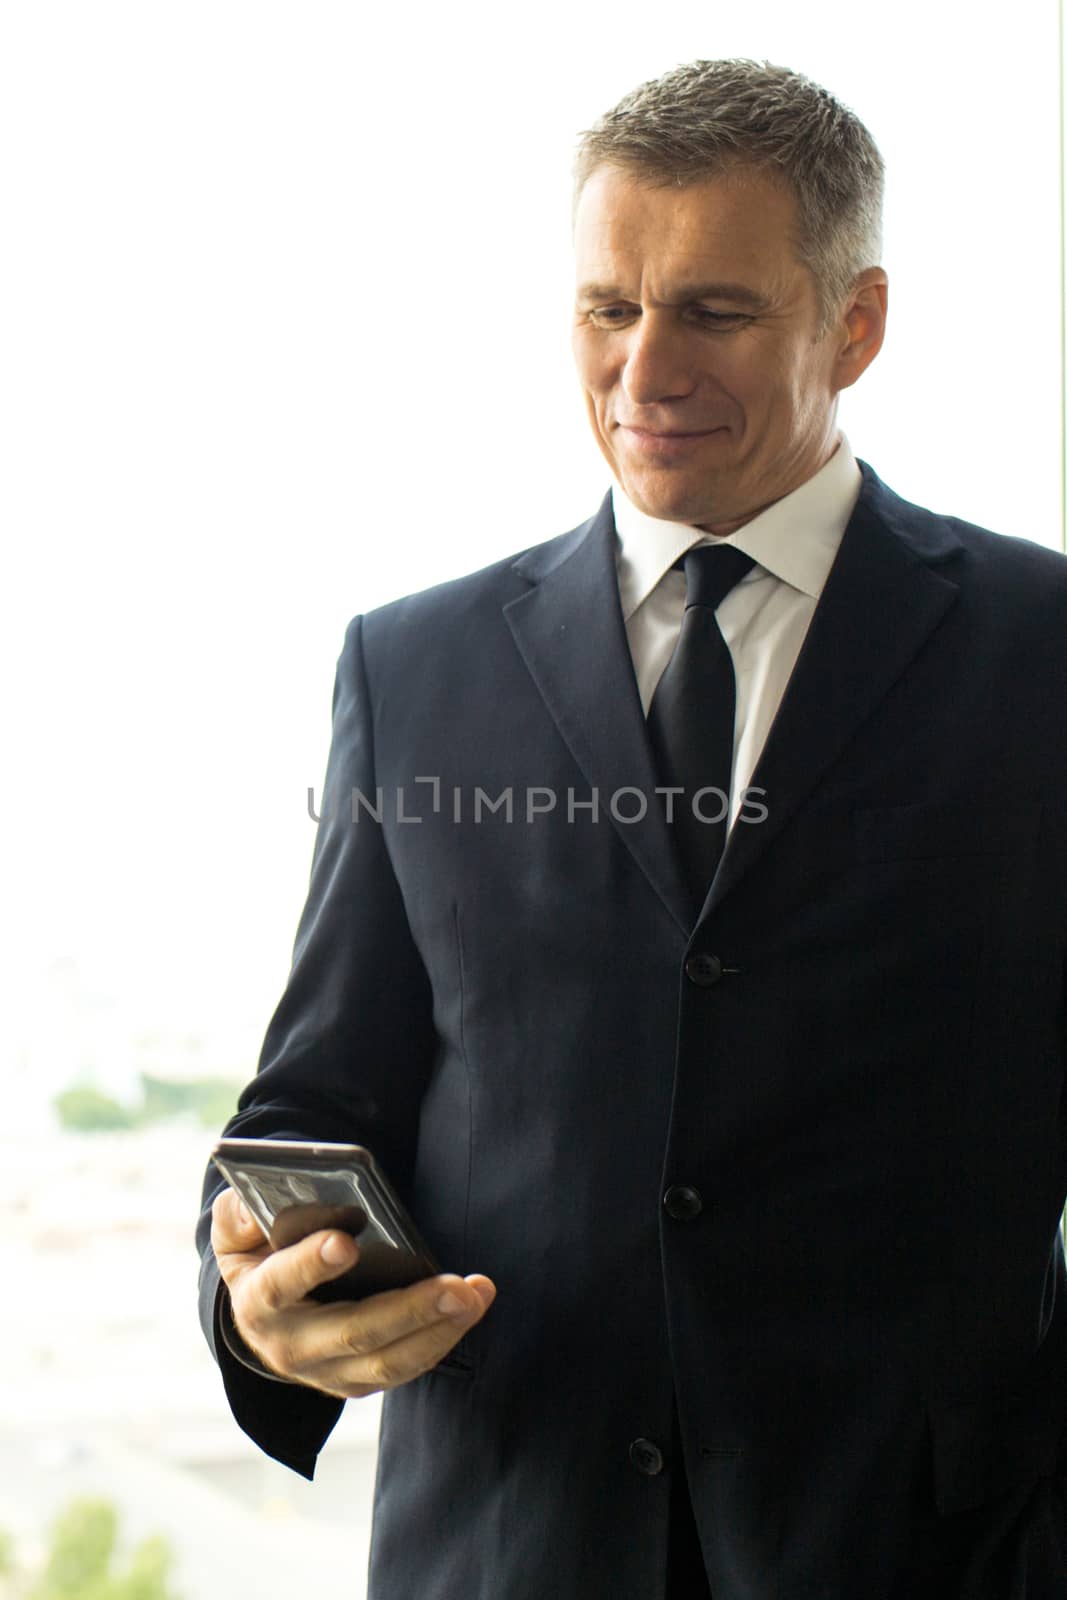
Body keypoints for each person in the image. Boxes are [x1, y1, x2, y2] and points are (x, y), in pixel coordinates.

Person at [196, 57, 1067, 1600]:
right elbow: (314, 1102)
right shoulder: (411, 666)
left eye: (714, 312)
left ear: (854, 325)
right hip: (507, 1541)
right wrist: (262, 1307)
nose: (644, 370)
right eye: (608, 308)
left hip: (933, 1551)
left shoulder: (1042, 647)